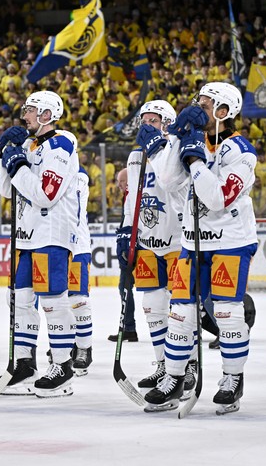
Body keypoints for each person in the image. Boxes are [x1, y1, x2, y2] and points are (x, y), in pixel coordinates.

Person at [145, 82, 258, 413]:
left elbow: (218, 197)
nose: (198, 108)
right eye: (198, 102)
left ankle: (233, 378)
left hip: (231, 241)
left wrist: (194, 160)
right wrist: (180, 137)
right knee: (179, 311)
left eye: (206, 105)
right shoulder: (194, 140)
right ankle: (175, 377)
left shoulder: (241, 151)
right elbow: (167, 182)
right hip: (192, 241)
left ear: (224, 112)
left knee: (226, 312)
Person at [0, 90, 80, 397]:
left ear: (46, 115)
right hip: (25, 234)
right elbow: (6, 189)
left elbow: (46, 193)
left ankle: (63, 367)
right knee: (19, 300)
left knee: (53, 301)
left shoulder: (62, 143)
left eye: (29, 110)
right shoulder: (29, 144)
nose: (23, 115)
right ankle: (24, 366)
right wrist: (4, 154)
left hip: (51, 233)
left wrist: (17, 164)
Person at [121, 100, 185, 389]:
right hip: (147, 241)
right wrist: (126, 230)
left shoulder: (177, 148)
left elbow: (173, 184)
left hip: (175, 240)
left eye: (153, 120)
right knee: (151, 305)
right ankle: (162, 364)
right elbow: (133, 197)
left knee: (180, 308)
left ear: (167, 123)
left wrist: (159, 147)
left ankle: (185, 367)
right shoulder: (135, 156)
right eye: (143, 120)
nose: (146, 125)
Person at [68, 163, 94, 376]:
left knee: (78, 301)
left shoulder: (79, 174)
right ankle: (66, 346)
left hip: (77, 246)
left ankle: (84, 349)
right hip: (54, 244)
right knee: (57, 303)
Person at [108, 167, 138, 343]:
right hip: (131, 244)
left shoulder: (133, 193)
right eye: (118, 181)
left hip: (138, 246)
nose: (119, 185)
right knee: (124, 286)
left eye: (122, 181)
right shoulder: (128, 195)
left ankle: (129, 328)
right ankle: (129, 328)